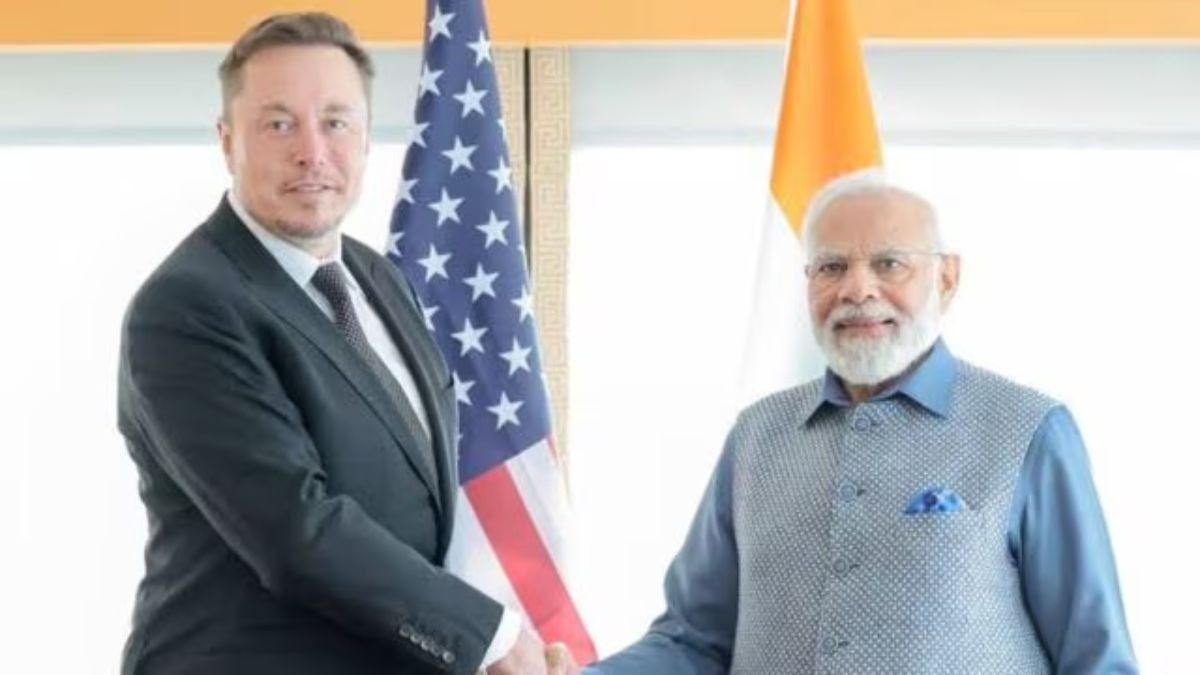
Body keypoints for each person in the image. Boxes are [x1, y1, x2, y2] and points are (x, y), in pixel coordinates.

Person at [117, 12, 569, 675]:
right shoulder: (187, 307)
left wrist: (491, 637)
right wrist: (490, 640)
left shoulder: (379, 278)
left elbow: (416, 508)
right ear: (227, 140)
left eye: (335, 122)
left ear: (365, 137)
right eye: (279, 124)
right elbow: (297, 531)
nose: (312, 151)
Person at [588, 179, 1137, 673]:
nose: (857, 290)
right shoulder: (755, 437)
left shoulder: (1029, 430)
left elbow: (1096, 660)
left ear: (946, 278)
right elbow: (694, 642)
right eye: (831, 267)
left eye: (889, 264)